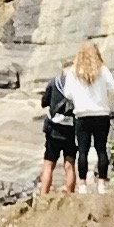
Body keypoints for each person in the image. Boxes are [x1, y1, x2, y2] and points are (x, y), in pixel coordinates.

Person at [62, 39, 114, 187]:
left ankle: (82, 185)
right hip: (101, 114)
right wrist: (102, 96)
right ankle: (101, 184)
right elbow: (113, 88)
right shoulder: (103, 70)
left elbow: (67, 94)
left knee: (83, 150)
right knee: (101, 149)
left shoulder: (73, 72)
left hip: (82, 115)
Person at [36, 66, 79, 197]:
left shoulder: (54, 82)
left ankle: (44, 195)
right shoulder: (79, 86)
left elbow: (44, 102)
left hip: (54, 129)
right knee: (69, 164)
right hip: (71, 129)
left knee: (49, 164)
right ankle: (70, 195)